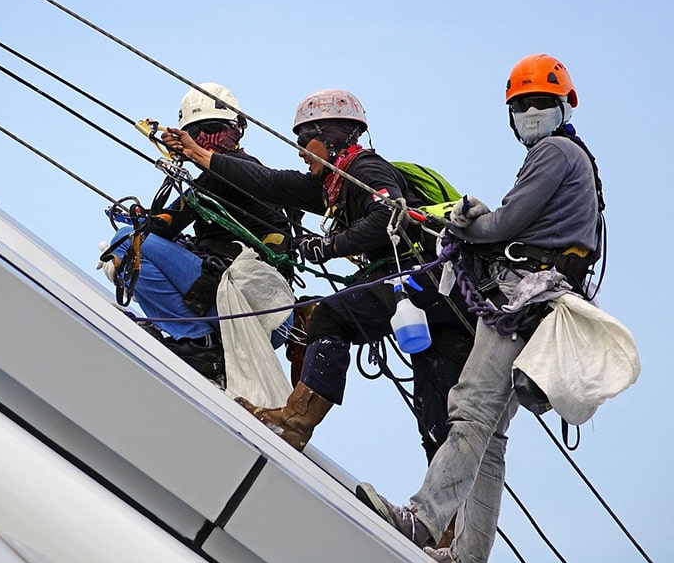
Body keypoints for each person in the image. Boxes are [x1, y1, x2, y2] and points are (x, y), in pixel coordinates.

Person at [356, 54, 603, 563]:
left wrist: (464, 222)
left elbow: (506, 224)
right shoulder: (578, 160)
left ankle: (419, 521)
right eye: (523, 105)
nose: (532, 112)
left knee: (469, 411)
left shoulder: (555, 152)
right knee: (489, 440)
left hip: (524, 303)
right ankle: (467, 560)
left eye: (540, 103)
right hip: (546, 306)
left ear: (563, 106)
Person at [163, 89, 473, 453]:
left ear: (331, 135)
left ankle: (295, 422)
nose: (299, 149)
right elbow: (268, 182)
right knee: (434, 413)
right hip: (439, 298)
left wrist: (331, 246)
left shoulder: (364, 169)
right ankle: (449, 510)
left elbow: (386, 214)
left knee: (330, 314)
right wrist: (201, 155)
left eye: (304, 138)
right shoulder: (330, 185)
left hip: (422, 278)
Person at [99, 82, 295, 388]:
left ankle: (196, 341)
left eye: (213, 130)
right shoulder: (251, 174)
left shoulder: (229, 171)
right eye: (197, 134)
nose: (204, 141)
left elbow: (164, 224)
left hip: (249, 305)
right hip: (269, 316)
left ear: (236, 132)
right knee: (150, 244)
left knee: (127, 242)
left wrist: (142, 221)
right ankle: (202, 342)